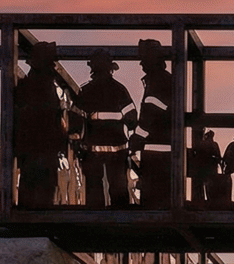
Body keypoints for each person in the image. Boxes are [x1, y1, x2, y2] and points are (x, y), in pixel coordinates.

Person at [73, 49, 135, 208]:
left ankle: (96, 218)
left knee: (94, 188)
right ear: (111, 68)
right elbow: (132, 117)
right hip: (118, 150)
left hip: (93, 151)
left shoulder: (86, 91)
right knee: (119, 186)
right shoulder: (120, 90)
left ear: (92, 68)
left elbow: (75, 119)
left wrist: (75, 141)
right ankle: (120, 218)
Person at [13, 43, 66, 209]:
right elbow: (56, 120)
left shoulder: (26, 86)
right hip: (44, 149)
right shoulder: (49, 86)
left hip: (31, 149)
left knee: (30, 187)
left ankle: (28, 221)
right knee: (44, 189)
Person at [130, 39, 175, 208]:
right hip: (163, 152)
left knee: (153, 200)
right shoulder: (165, 80)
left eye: (144, 59)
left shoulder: (157, 82)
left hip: (158, 153)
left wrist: (136, 139)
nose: (141, 63)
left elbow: (150, 113)